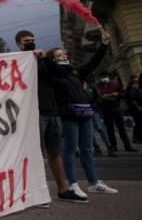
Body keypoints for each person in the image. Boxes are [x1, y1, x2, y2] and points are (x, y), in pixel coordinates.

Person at [15, 31, 87, 204]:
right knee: (33, 154)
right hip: (34, 114)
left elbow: (64, 70)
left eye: (33, 40)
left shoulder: (45, 61)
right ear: (19, 44)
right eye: (26, 42)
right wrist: (26, 56)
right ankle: (33, 193)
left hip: (52, 112)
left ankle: (63, 190)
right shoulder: (17, 61)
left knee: (54, 153)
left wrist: (44, 58)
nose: (31, 43)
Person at [47, 28, 118, 197]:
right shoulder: (53, 75)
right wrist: (45, 59)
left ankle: (94, 183)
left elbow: (95, 61)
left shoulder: (76, 72)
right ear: (52, 60)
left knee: (87, 149)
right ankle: (72, 184)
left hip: (85, 113)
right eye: (59, 56)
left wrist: (104, 43)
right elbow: (45, 66)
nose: (64, 56)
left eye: (64, 54)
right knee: (70, 149)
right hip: (69, 115)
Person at [96, 72, 137, 152]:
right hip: (105, 109)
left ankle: (127, 145)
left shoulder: (115, 84)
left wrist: (117, 94)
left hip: (116, 108)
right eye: (102, 77)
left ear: (109, 77)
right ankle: (114, 146)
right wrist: (102, 97)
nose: (104, 78)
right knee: (110, 129)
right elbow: (96, 98)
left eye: (105, 76)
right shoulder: (98, 86)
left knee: (122, 128)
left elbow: (123, 93)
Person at [125, 75, 142, 143]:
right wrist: (138, 107)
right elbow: (132, 100)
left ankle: (136, 138)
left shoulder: (134, 89)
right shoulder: (131, 89)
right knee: (139, 124)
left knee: (139, 124)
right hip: (136, 110)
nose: (137, 83)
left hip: (136, 109)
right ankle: (138, 138)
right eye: (136, 81)